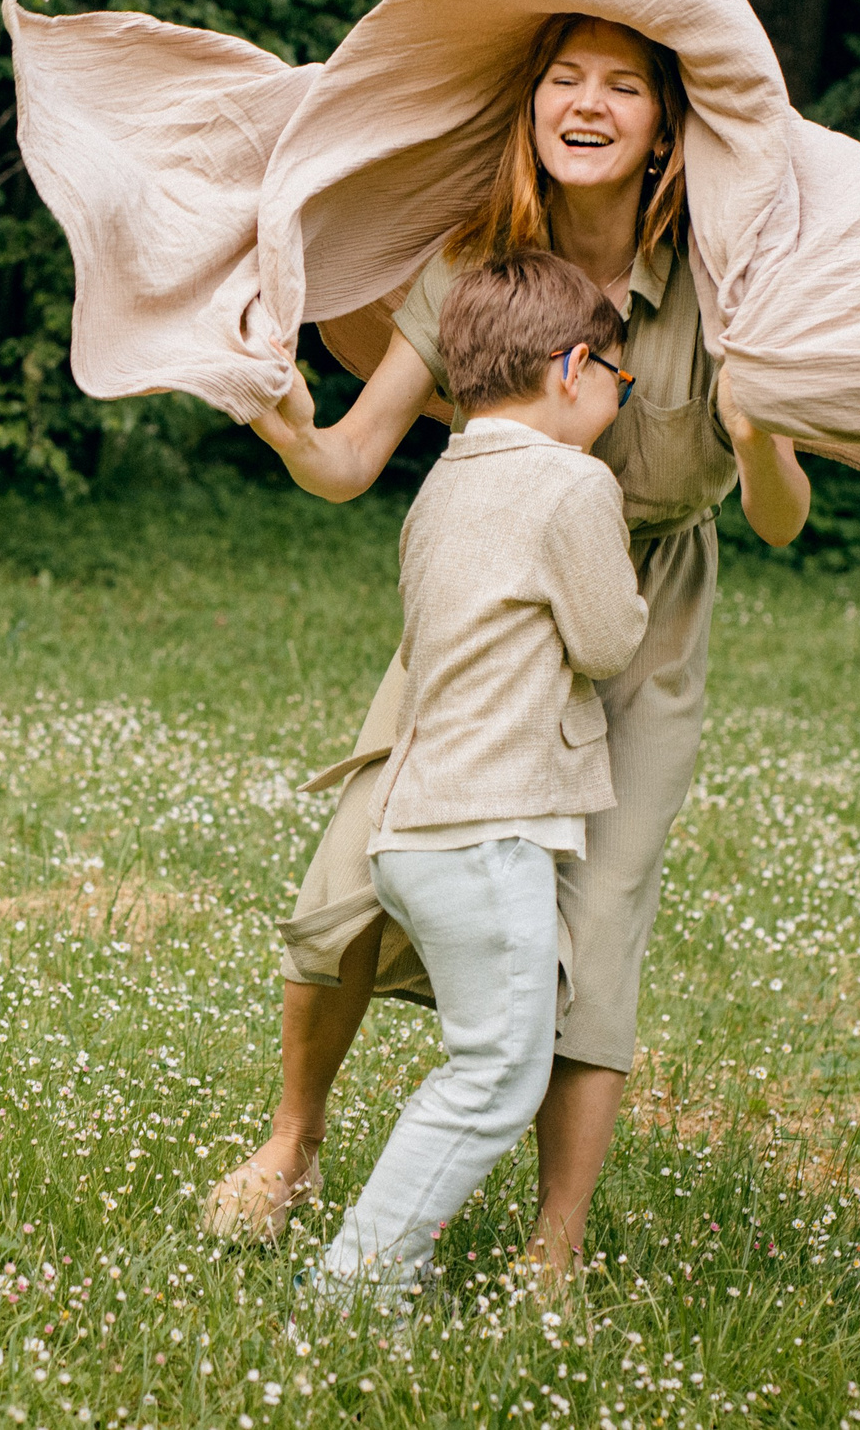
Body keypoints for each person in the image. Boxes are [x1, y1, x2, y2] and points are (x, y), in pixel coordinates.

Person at [199, 12, 813, 1293]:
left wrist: (762, 433)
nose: (586, 104)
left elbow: (779, 516)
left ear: (664, 128)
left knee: (597, 919)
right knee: (346, 877)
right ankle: (290, 1146)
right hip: (487, 583)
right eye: (563, 79)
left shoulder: (730, 278)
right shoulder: (474, 265)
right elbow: (349, 462)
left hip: (647, 605)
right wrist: (275, 412)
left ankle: (553, 1252)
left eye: (623, 88)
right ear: (531, 104)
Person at [303, 252, 646, 1305]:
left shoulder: (443, 479)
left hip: (409, 825)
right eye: (618, 388)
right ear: (574, 365)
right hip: (489, 824)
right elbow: (606, 641)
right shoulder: (574, 483)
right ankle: (357, 1286)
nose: (612, 407)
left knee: (483, 1055)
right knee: (495, 1076)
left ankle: (368, 1270)